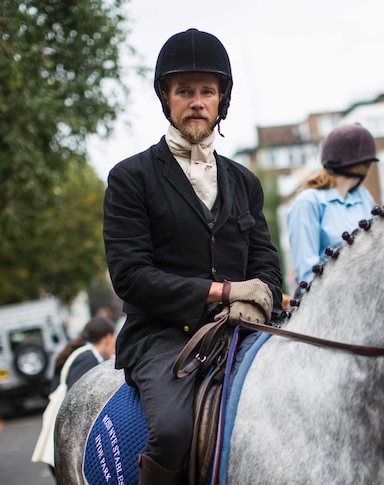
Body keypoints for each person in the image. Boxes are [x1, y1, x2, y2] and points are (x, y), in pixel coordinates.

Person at [103, 28, 282, 484]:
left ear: (221, 100)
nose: (197, 101)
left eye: (207, 91)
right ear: (167, 98)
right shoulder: (130, 178)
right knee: (173, 429)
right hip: (162, 337)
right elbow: (131, 277)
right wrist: (221, 291)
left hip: (243, 329)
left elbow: (266, 264)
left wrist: (257, 298)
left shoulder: (244, 182)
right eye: (185, 91)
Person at [286, 123, 379, 287]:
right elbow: (308, 274)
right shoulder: (308, 202)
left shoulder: (364, 197)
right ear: (364, 164)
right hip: (330, 302)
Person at [32, 316, 117, 474]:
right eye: (114, 338)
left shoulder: (84, 354)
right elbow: (76, 400)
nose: (115, 344)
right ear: (107, 338)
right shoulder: (87, 358)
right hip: (68, 443)